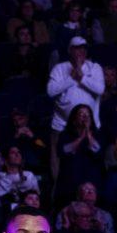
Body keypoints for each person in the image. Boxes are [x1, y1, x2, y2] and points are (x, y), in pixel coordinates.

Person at [47, 37, 105, 172]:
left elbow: (100, 89)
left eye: (83, 48)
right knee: (58, 166)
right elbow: (50, 91)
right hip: (61, 125)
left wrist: (82, 77)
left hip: (89, 126)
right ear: (69, 50)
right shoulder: (59, 68)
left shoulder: (94, 67)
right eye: (77, 48)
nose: (81, 51)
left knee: (89, 164)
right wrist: (72, 78)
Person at [55, 104, 104, 205]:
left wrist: (88, 135)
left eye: (88, 114)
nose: (85, 117)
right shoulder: (65, 135)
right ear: (74, 119)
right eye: (81, 114)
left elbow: (98, 151)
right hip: (69, 181)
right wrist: (81, 137)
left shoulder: (98, 135)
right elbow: (63, 151)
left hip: (91, 180)